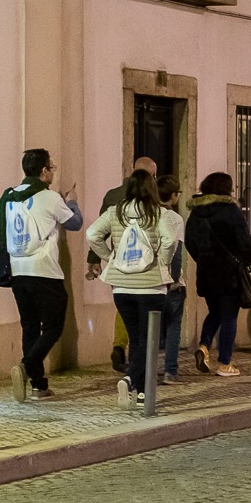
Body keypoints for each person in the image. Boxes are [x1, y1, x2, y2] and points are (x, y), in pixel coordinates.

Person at [0, 148, 83, 402]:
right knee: (53, 326)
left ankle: (38, 385)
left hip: (18, 272)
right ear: (43, 171)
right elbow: (75, 223)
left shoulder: (8, 197)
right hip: (45, 273)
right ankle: (26, 366)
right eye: (52, 168)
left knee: (29, 325)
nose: (53, 172)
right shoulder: (50, 198)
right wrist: (71, 201)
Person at [86, 168, 178, 409]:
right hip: (151, 287)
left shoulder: (114, 212)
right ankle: (130, 380)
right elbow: (170, 240)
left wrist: (110, 257)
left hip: (121, 287)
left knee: (136, 339)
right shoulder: (158, 213)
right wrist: (163, 262)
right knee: (148, 341)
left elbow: (92, 233)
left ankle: (141, 394)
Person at [88, 155, 158, 373]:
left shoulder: (112, 196)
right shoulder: (153, 201)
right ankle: (138, 373)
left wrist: (99, 258)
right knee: (142, 318)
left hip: (120, 265)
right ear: (152, 176)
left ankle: (119, 345)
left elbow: (98, 232)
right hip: (146, 269)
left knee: (124, 306)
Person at [185, 172, 251, 377]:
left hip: (206, 271)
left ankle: (204, 347)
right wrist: (244, 260)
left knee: (214, 311)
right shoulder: (231, 211)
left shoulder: (196, 212)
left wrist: (203, 258)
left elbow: (189, 242)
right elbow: (245, 243)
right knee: (229, 316)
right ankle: (224, 363)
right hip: (229, 273)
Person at [157, 175, 186, 384]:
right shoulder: (175, 219)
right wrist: (174, 279)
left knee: (149, 328)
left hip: (151, 280)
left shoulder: (148, 215)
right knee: (173, 326)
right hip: (171, 282)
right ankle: (170, 371)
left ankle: (145, 371)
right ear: (174, 196)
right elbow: (176, 252)